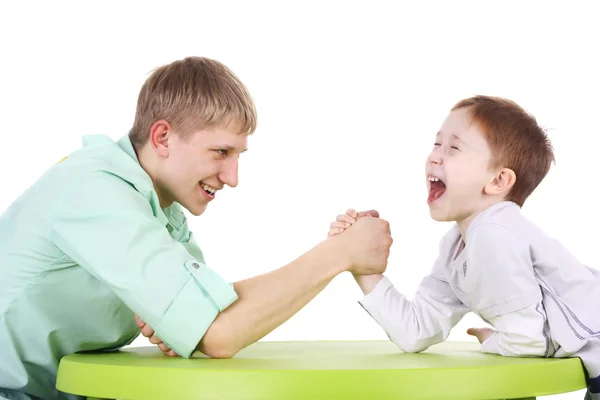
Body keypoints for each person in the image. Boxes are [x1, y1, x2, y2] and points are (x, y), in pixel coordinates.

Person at [0, 56, 393, 400]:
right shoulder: (96, 192)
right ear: (163, 137)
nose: (233, 177)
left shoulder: (162, 212)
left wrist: (188, 323)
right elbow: (218, 332)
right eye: (221, 151)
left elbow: (213, 311)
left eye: (238, 155)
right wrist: (339, 254)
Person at [328, 95, 600, 399]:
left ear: (498, 180)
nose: (434, 157)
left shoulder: (492, 234)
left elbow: (527, 342)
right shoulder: (457, 245)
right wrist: (363, 268)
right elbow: (416, 331)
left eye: (453, 148)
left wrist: (495, 341)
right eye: (436, 144)